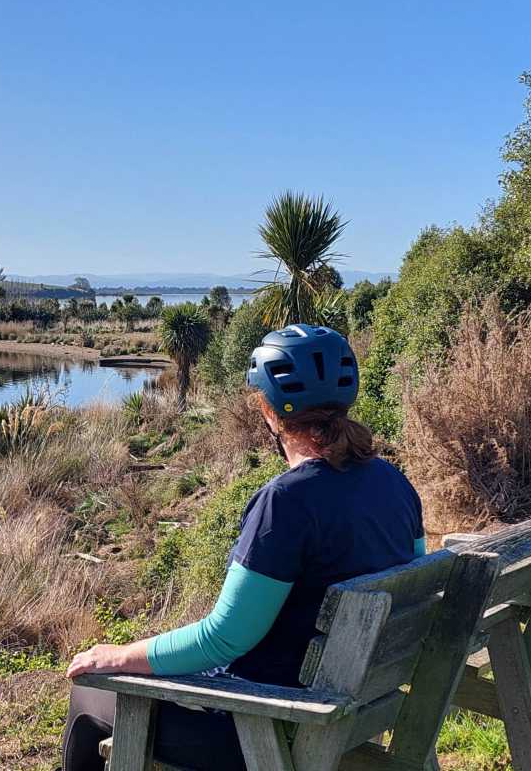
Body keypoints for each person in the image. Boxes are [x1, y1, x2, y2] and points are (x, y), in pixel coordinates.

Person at [61, 324, 426, 770]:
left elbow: (223, 638)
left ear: (271, 414)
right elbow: (417, 583)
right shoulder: (395, 483)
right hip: (359, 709)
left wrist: (116, 655)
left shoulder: (287, 502)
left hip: (268, 727)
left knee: (91, 689)